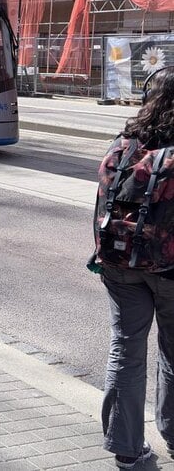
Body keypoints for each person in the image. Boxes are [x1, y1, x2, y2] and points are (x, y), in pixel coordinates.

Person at [92, 67, 174, 469]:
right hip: (171, 270)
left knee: (126, 350)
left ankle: (126, 450)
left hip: (119, 263)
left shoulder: (122, 145)